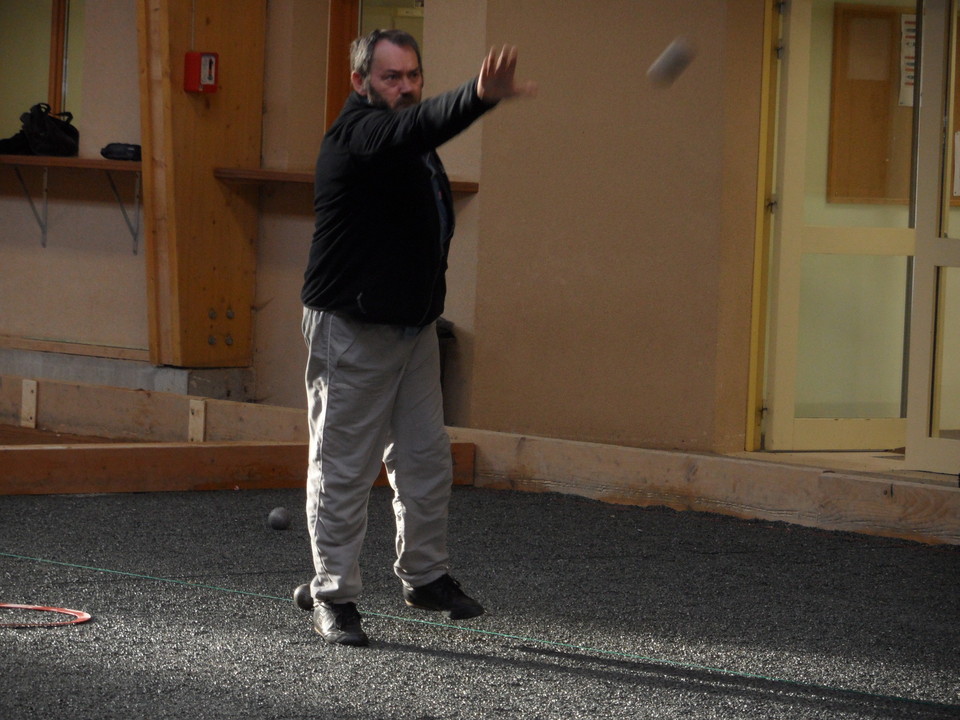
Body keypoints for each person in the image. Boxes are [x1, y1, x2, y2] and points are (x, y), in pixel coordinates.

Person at [298, 29, 535, 647]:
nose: (404, 88)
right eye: (389, 78)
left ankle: (424, 577)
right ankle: (334, 594)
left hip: (412, 329)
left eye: (412, 77)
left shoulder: (407, 138)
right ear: (360, 84)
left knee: (426, 460)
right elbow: (413, 128)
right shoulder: (360, 135)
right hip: (352, 328)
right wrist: (478, 96)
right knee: (344, 468)